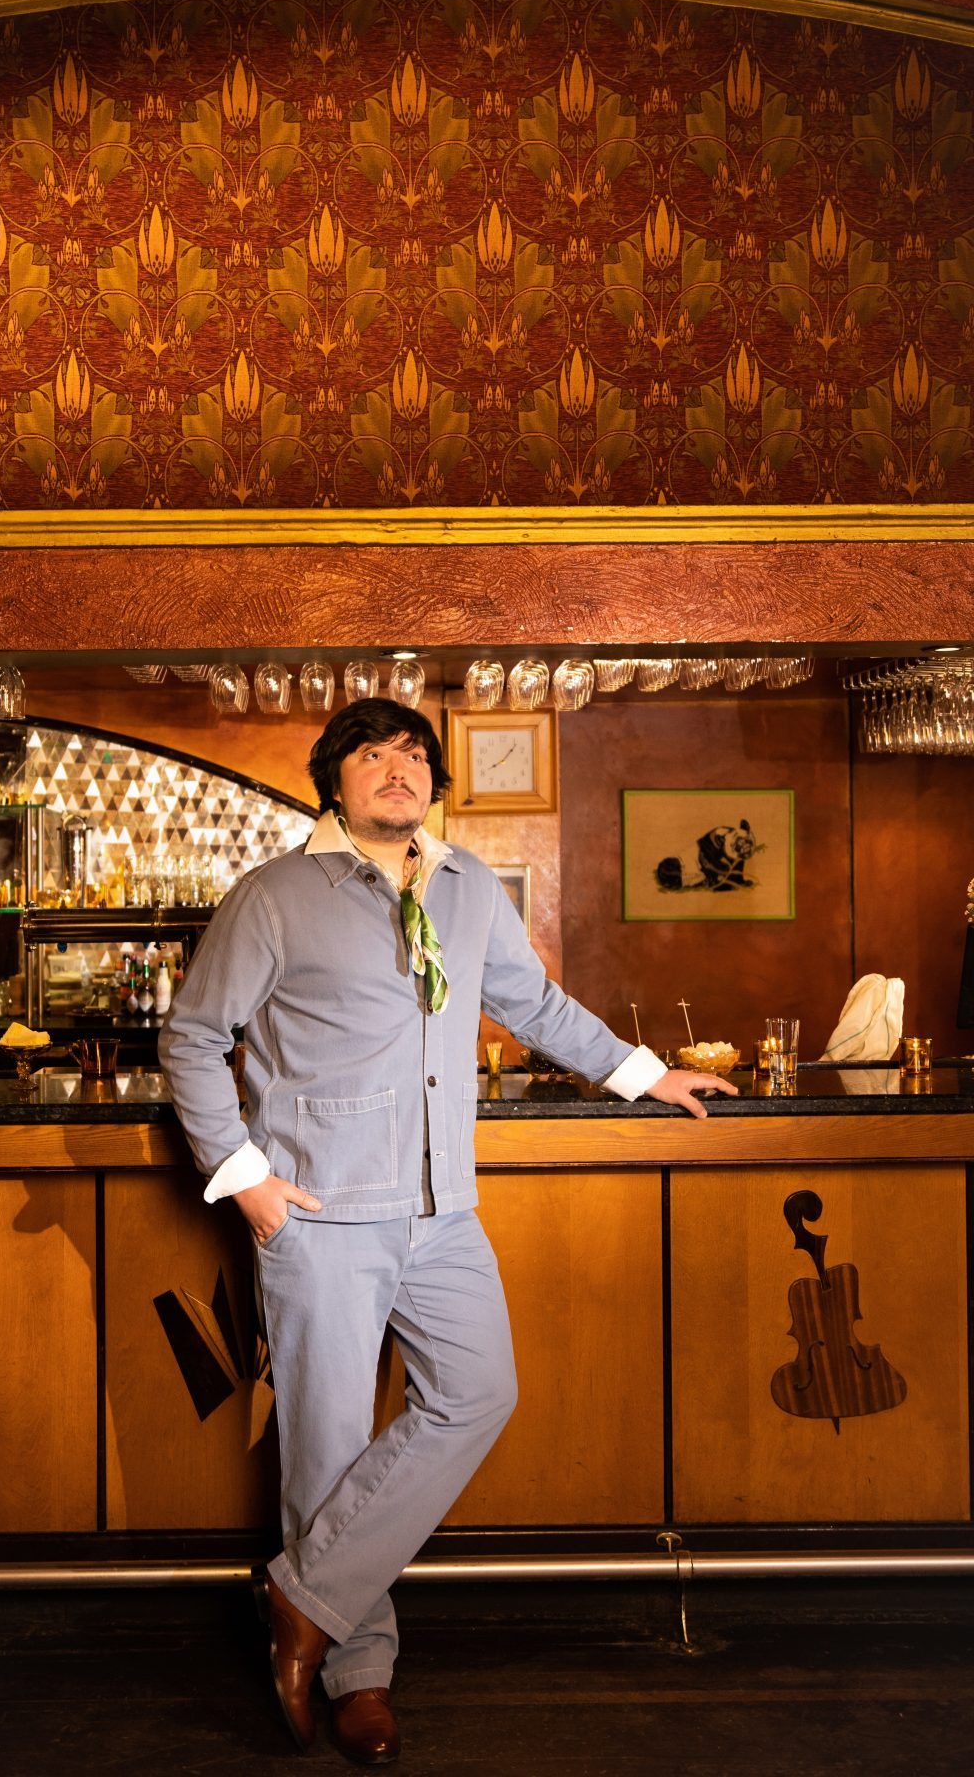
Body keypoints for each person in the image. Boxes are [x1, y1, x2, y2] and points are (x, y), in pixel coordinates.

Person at [159, 698, 735, 1765]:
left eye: (416, 753)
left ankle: (302, 1595)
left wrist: (643, 1074)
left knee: (478, 1392)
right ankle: (356, 1673)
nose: (401, 767)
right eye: (374, 754)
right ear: (334, 781)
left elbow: (534, 1004)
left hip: (443, 1208)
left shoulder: (466, 887)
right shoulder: (274, 895)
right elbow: (194, 1036)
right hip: (320, 1210)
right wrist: (244, 1180)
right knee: (328, 1446)